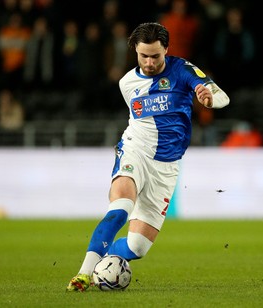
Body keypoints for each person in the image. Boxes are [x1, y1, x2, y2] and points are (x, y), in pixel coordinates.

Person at [66, 22, 230, 292]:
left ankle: (105, 261)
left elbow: (221, 97)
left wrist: (207, 97)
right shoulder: (127, 83)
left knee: (138, 247)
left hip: (166, 165)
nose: (150, 62)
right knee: (120, 208)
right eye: (144, 56)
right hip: (135, 150)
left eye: (156, 55)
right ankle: (83, 274)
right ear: (135, 51)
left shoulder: (183, 70)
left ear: (166, 49)